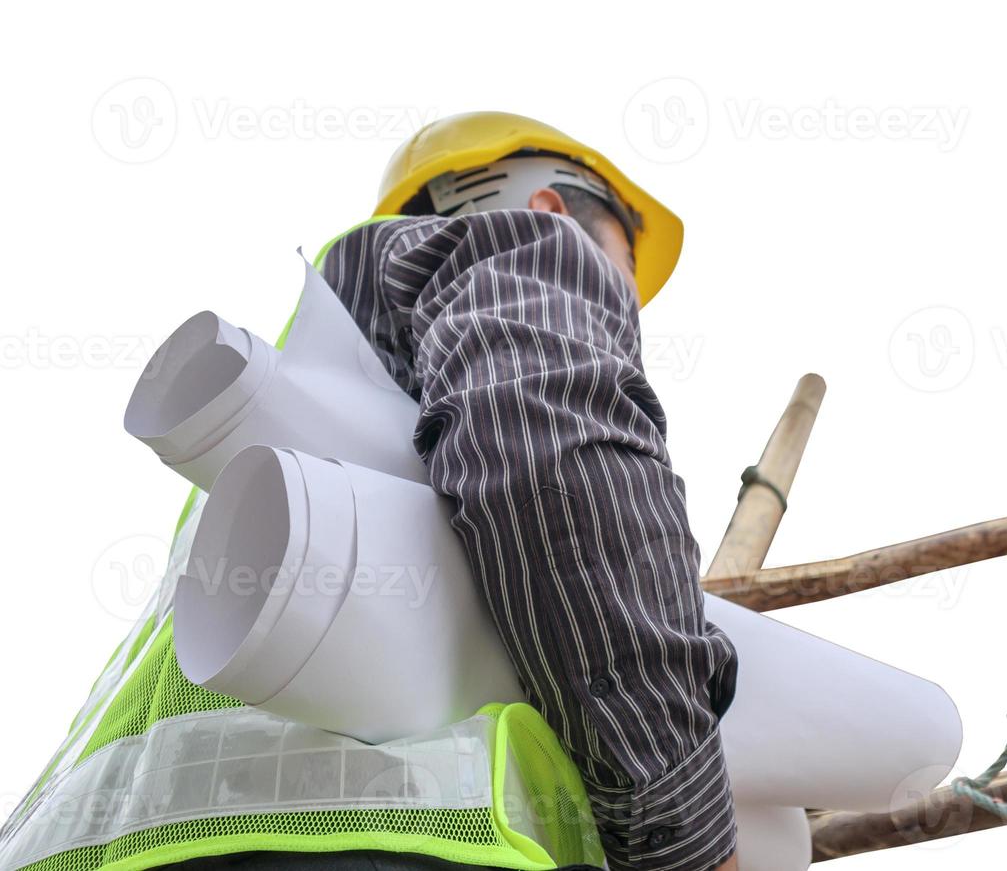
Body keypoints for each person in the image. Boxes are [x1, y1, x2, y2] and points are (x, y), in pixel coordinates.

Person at [0, 113, 739, 871]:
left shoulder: (282, 427)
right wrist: (683, 826)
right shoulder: (528, 248)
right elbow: (554, 467)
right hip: (383, 845)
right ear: (551, 210)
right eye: (621, 265)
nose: (623, 308)